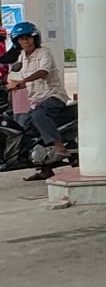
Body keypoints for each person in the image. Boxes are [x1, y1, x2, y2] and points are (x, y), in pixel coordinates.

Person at [5, 22, 74, 177]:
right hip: (37, 101)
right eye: (22, 39)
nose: (26, 41)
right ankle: (45, 168)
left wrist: (23, 82)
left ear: (35, 38)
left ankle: (58, 146)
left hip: (54, 96)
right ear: (17, 42)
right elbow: (19, 75)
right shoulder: (23, 56)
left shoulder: (44, 53)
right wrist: (12, 84)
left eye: (29, 38)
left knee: (38, 116)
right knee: (25, 129)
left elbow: (43, 71)